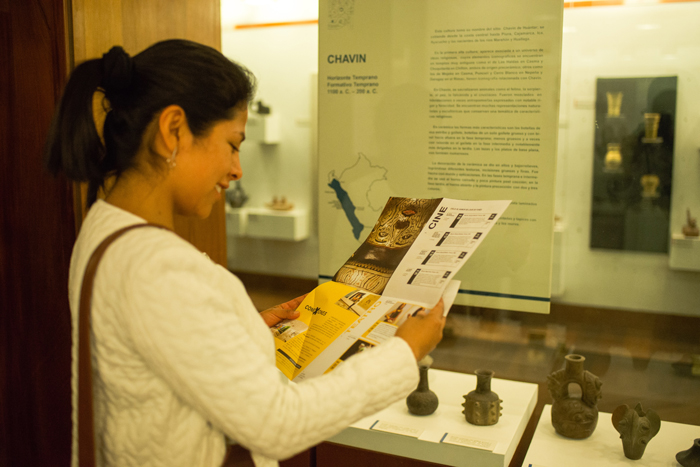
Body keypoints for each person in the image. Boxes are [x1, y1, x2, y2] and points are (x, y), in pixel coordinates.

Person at [45, 39, 446, 467]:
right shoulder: (157, 267)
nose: (237, 169)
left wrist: (241, 329)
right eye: (233, 144)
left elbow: (158, 348)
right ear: (173, 130)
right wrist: (404, 352)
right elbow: (278, 424)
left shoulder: (104, 226)